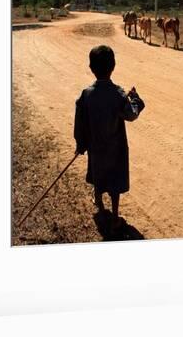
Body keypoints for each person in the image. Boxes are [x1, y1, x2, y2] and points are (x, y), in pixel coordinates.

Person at [74, 45, 145, 231]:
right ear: (113, 66)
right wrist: (135, 100)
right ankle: (114, 216)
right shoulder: (119, 94)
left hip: (96, 148)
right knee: (114, 181)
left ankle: (98, 201)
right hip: (116, 150)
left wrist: (80, 143)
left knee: (98, 175)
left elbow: (79, 122)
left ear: (91, 67)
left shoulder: (86, 94)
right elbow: (131, 115)